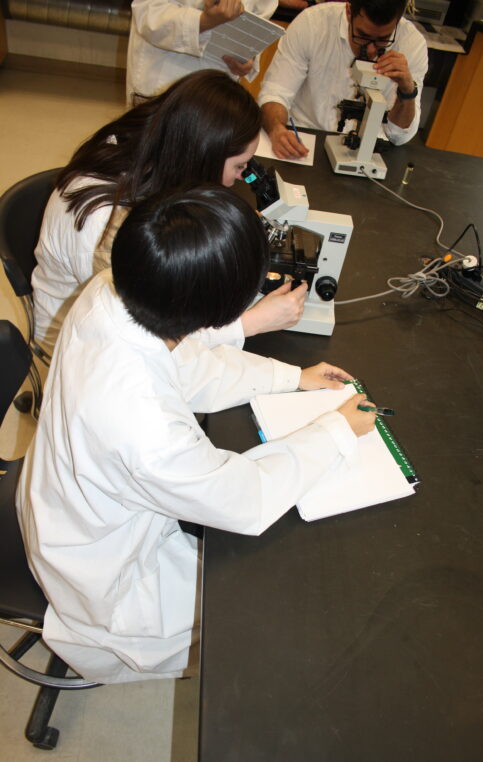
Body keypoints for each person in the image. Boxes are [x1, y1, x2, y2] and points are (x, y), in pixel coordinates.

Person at [17, 186, 376, 683]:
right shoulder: (144, 427)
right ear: (218, 309)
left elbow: (188, 364)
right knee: (279, 612)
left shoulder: (112, 286)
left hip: (68, 496)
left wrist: (292, 378)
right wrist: (335, 430)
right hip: (103, 568)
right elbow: (243, 499)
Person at [32, 69, 307, 354]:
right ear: (203, 154)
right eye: (239, 167)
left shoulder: (151, 151)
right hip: (78, 351)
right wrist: (251, 322)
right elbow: (145, 335)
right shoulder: (105, 225)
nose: (240, 179)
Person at [259, 0, 428, 159]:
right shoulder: (312, 24)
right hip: (306, 140)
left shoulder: (412, 44)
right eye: (362, 35)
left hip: (370, 150)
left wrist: (407, 90)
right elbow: (275, 93)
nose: (370, 50)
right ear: (348, 11)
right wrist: (276, 130)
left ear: (398, 21)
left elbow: (399, 136)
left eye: (382, 40)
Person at [126, 0, 308, 103]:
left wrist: (246, 58)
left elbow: (258, 15)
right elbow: (148, 15)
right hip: (163, 79)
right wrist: (205, 20)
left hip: (217, 85)